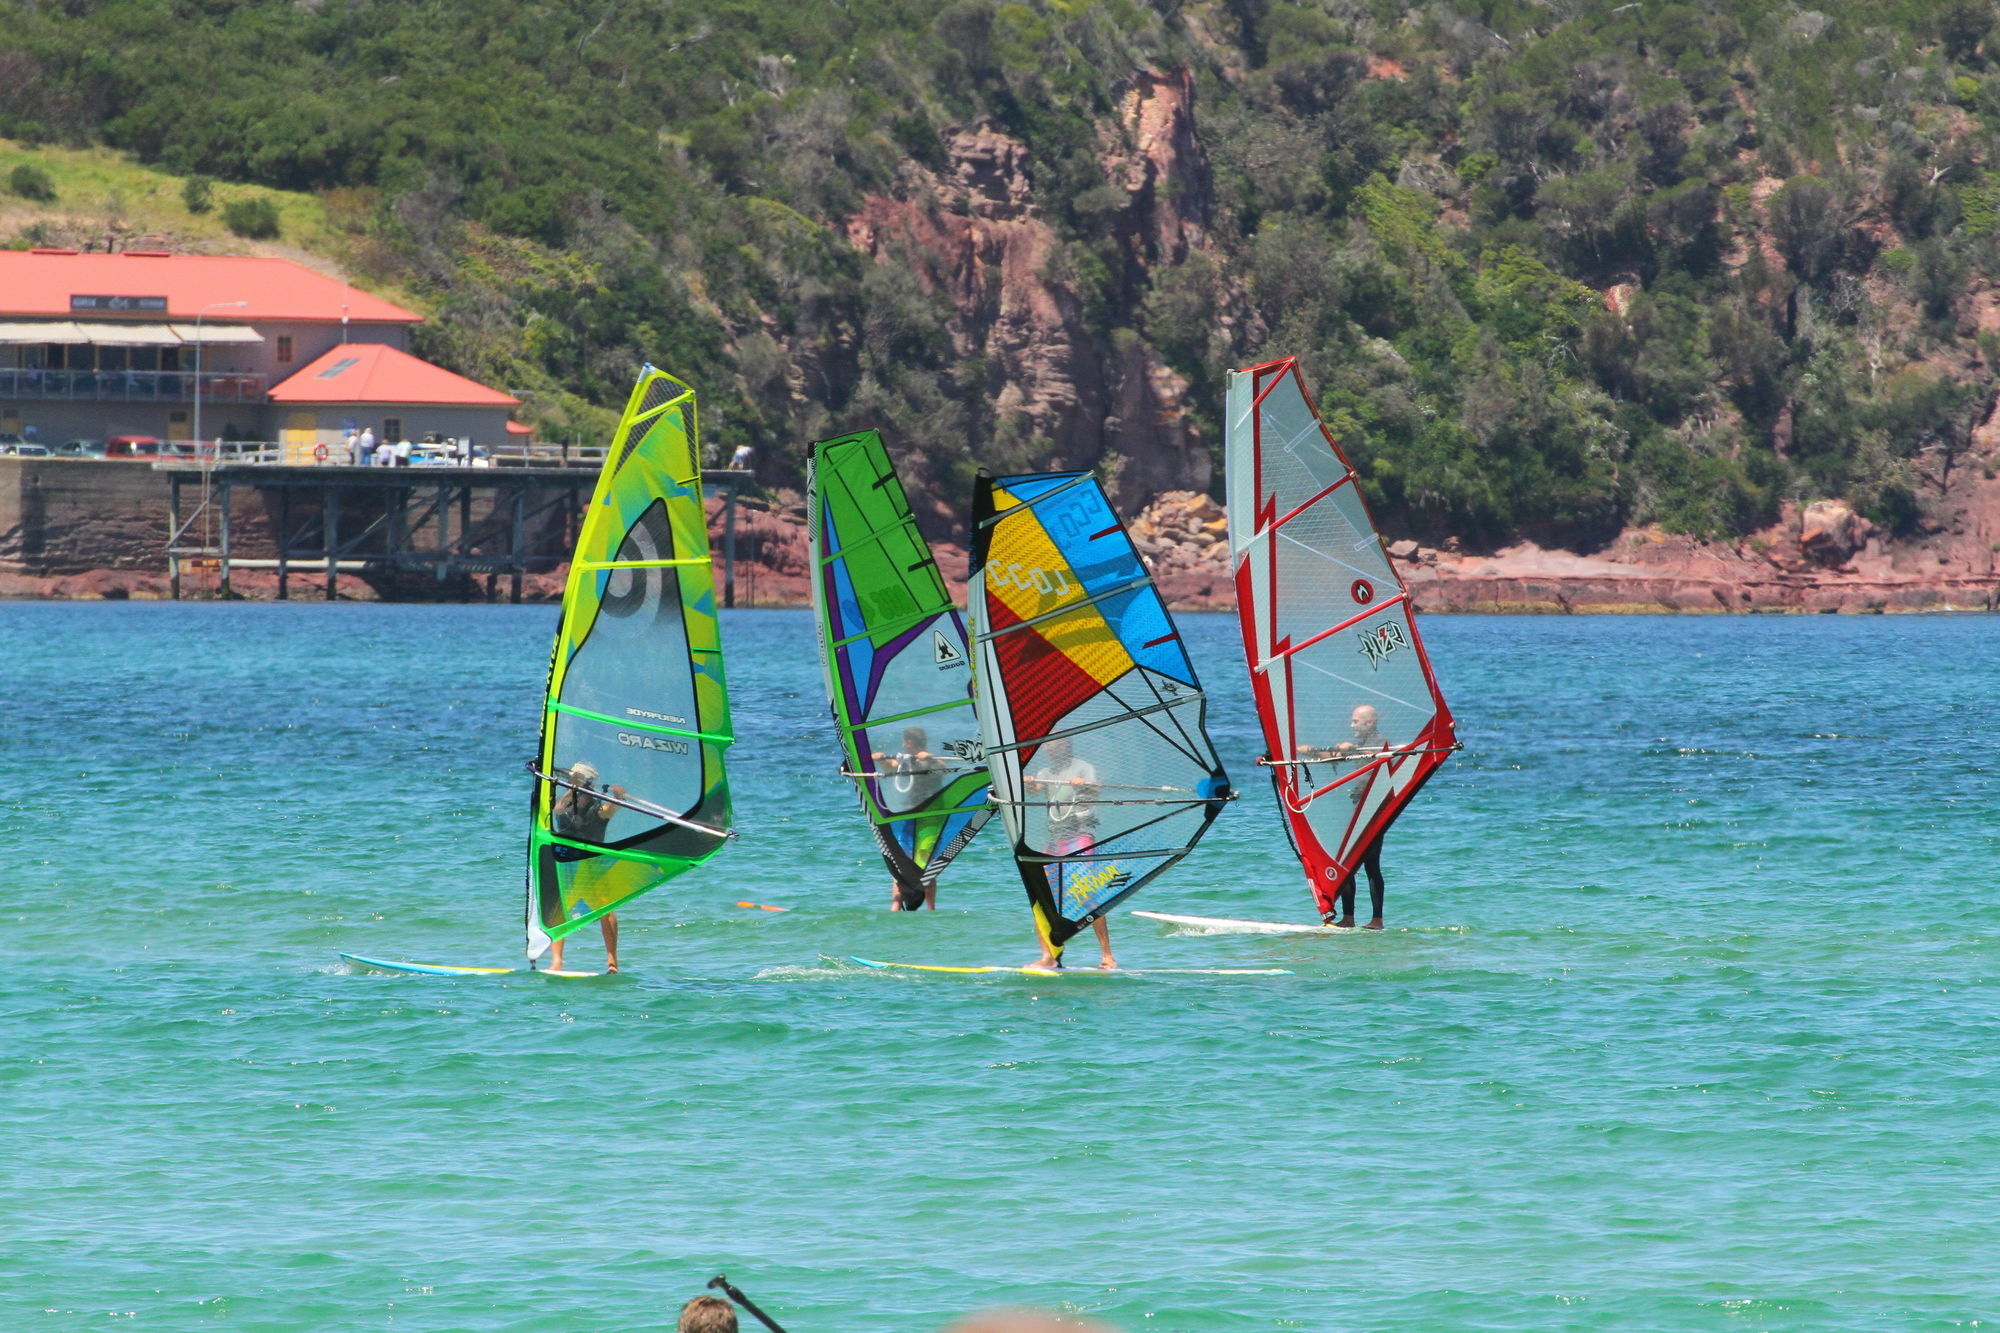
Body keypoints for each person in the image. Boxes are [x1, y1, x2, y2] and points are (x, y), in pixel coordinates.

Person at [1024, 734, 1115, 970]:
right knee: (1041, 898)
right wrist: (1028, 782)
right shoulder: (1046, 772)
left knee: (1086, 893)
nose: (1048, 750)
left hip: (1080, 835)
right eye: (1047, 746)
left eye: (1053, 745)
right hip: (1055, 838)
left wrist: (1083, 785)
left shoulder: (1082, 767)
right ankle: (1048, 957)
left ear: (1065, 746)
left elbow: (1095, 793)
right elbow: (1034, 791)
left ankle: (1107, 955)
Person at [1300, 704, 1391, 929]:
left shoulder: (1379, 743)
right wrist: (1310, 750)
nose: (1351, 726)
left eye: (1355, 722)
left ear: (1369, 723)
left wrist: (1349, 750)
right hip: (1357, 809)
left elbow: (1370, 756)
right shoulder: (1360, 745)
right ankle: (1348, 918)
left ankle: (1376, 920)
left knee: (1370, 865)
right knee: (1346, 862)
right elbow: (1334, 757)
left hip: (1373, 813)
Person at [548, 761, 624, 971]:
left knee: (605, 908)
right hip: (568, 860)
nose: (569, 781)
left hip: (593, 863)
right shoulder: (566, 802)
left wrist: (618, 797)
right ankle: (557, 961)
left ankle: (612, 962)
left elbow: (609, 810)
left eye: (575, 779)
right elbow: (557, 809)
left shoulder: (596, 806)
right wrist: (572, 787)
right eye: (570, 779)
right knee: (559, 907)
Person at [872, 725, 950, 910]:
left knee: (926, 861)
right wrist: (881, 760)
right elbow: (892, 766)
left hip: (931, 817)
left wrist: (929, 758)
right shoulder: (906, 760)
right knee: (900, 860)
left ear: (910, 742)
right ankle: (896, 905)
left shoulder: (932, 760)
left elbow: (943, 768)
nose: (903, 744)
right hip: (910, 812)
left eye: (905, 741)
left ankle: (931, 907)